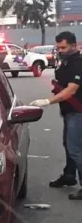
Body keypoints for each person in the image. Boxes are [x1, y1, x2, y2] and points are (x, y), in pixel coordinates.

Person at [30, 31, 82, 200]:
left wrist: (47, 101)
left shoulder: (78, 63)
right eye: (58, 47)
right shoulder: (66, 62)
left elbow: (71, 90)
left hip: (78, 111)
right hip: (69, 111)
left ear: (74, 45)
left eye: (64, 47)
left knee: (75, 149)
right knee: (68, 145)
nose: (60, 50)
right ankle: (69, 175)